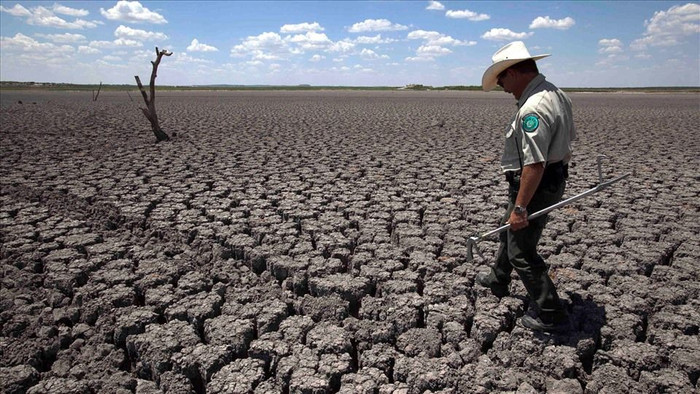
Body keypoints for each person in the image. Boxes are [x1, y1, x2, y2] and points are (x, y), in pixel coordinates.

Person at [476, 41, 576, 332]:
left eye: (503, 78)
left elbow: (535, 164)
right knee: (509, 231)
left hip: (535, 185)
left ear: (517, 72)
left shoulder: (533, 108)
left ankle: (550, 313)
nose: (503, 87)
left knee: (521, 249)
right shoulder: (556, 93)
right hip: (546, 181)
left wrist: (520, 207)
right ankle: (498, 278)